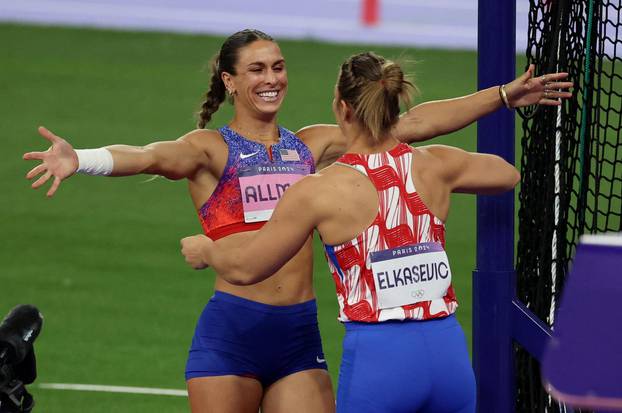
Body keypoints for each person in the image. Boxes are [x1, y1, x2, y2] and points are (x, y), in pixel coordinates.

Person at [24, 28, 571, 413]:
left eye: (279, 67)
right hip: (232, 333)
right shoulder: (210, 149)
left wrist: (501, 96)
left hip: (299, 336)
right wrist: (83, 160)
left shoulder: (311, 146)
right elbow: (146, 154)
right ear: (230, 80)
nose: (272, 78)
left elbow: (413, 123)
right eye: (257, 69)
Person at [179, 51, 570, 412]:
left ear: (343, 108)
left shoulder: (318, 190)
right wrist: (497, 99)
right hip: (448, 353)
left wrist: (206, 251)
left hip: (380, 360)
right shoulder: (436, 165)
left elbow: (248, 268)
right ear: (392, 107)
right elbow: (506, 174)